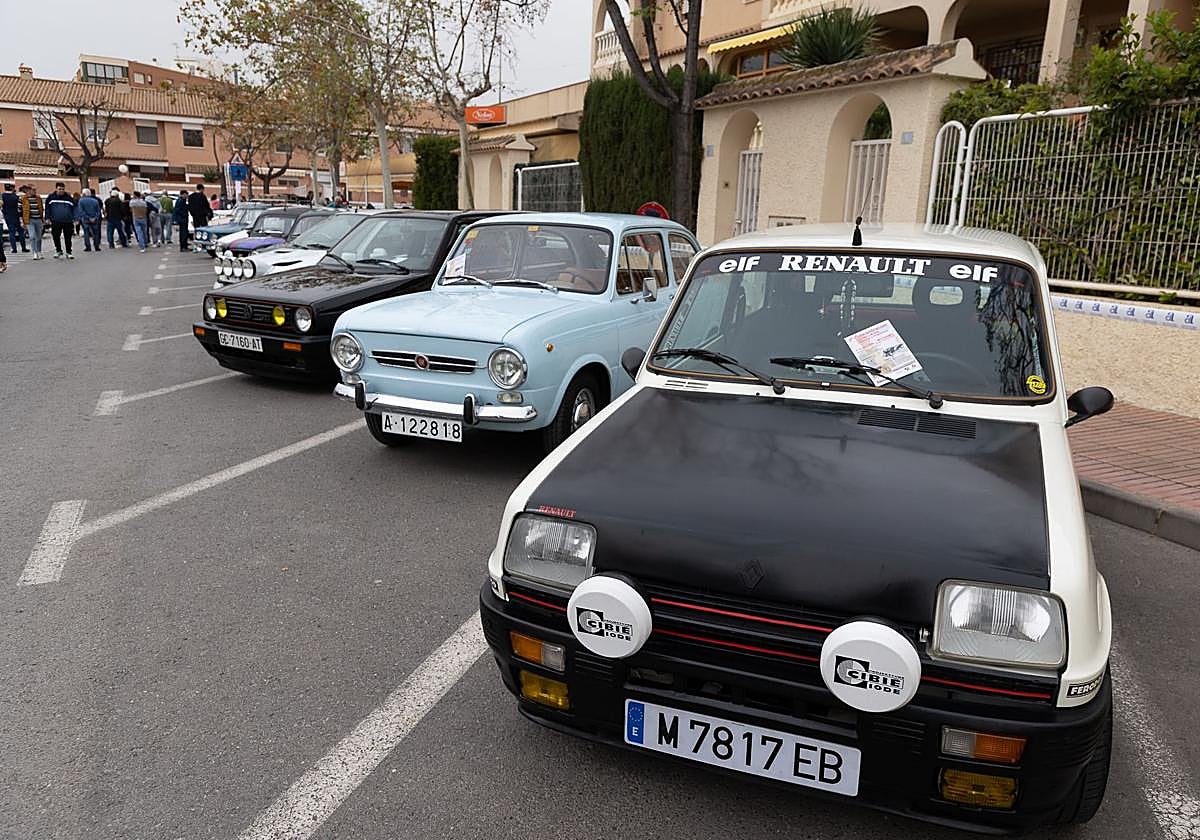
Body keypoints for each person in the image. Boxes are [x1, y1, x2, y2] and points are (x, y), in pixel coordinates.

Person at [45, 182, 76, 259]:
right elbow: (47, 209)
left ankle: (69, 252)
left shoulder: (69, 198)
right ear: (56, 189)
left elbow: (74, 209)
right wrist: (47, 218)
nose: (61, 191)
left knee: (68, 237)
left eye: (63, 189)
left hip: (68, 221)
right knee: (56, 236)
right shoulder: (51, 197)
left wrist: (76, 218)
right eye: (59, 189)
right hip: (55, 221)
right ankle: (58, 250)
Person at [19, 185, 45, 260]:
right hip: (29, 220)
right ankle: (35, 252)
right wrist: (21, 221)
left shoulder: (38, 198)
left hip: (38, 219)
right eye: (33, 190)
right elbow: (20, 210)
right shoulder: (23, 199)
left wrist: (42, 219)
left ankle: (39, 251)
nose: (35, 191)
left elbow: (41, 209)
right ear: (28, 190)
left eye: (35, 190)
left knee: (39, 237)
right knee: (32, 236)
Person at [2, 183, 27, 254]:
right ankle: (23, 248)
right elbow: (20, 207)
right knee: (21, 232)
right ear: (12, 188)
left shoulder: (2, 196)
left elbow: (2, 206)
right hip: (17, 216)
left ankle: (14, 249)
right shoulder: (16, 197)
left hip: (8, 217)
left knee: (11, 233)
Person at [75, 188, 103, 252]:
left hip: (85, 219)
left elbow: (81, 211)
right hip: (94, 219)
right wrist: (95, 217)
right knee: (96, 233)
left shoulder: (81, 201)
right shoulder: (95, 201)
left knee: (86, 233)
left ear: (84, 194)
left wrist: (88, 217)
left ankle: (88, 247)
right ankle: (96, 246)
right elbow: (98, 211)